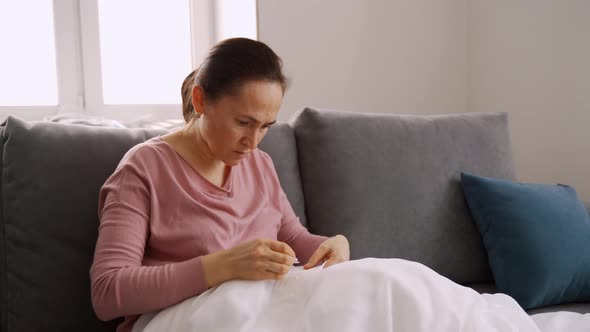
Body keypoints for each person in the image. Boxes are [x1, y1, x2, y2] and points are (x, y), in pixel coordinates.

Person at [90, 37, 350, 332]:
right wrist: (222, 266)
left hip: (263, 310)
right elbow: (107, 291)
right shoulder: (144, 168)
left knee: (388, 278)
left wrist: (331, 245)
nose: (252, 143)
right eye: (243, 122)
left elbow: (292, 237)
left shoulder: (260, 164)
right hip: (185, 319)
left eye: (265, 126)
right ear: (200, 100)